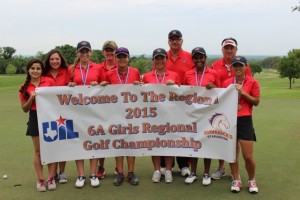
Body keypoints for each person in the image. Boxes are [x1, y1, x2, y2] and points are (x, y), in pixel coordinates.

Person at [210, 37, 252, 180]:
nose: (229, 50)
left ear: (236, 49)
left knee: (236, 141)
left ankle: (235, 172)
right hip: (222, 108)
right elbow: (213, 86)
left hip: (240, 110)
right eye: (226, 48)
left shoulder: (244, 65)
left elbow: (248, 84)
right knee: (223, 138)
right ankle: (221, 168)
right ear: (222, 50)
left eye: (231, 48)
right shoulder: (214, 65)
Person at [100, 47, 140, 186]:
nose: (122, 59)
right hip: (115, 114)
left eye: (124, 56)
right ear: (115, 59)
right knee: (118, 143)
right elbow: (104, 94)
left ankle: (130, 172)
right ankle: (120, 172)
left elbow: (141, 92)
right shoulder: (110, 74)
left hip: (131, 114)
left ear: (128, 58)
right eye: (119, 57)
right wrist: (103, 85)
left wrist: (138, 85)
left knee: (131, 144)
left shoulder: (135, 72)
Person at [183, 47, 221, 186]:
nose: (199, 60)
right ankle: (193, 173)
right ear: (193, 59)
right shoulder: (188, 73)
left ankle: (206, 173)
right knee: (193, 144)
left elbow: (221, 93)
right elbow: (183, 92)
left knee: (207, 143)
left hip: (208, 114)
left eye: (201, 57)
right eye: (196, 58)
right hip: (192, 114)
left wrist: (214, 86)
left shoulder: (214, 73)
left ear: (205, 58)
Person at [142, 48, 180, 183]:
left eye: (162, 58)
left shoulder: (174, 75)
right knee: (155, 143)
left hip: (169, 115)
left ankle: (168, 170)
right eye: (156, 58)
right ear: (153, 60)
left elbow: (180, 95)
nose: (159, 61)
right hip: (152, 116)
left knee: (168, 143)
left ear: (166, 59)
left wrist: (174, 85)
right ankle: (157, 170)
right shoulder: (146, 76)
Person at [222, 56, 260, 193]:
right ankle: (236, 179)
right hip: (230, 119)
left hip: (245, 119)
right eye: (235, 65)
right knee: (233, 154)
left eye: (240, 65)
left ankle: (251, 180)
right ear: (232, 67)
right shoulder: (227, 82)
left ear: (246, 66)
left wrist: (243, 93)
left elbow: (256, 102)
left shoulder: (252, 82)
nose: (238, 68)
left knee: (248, 156)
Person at [19, 59, 56, 192]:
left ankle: (50, 178)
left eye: (38, 68)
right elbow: (24, 109)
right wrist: (31, 98)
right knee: (38, 151)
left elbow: (56, 98)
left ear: (42, 70)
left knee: (51, 149)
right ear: (28, 70)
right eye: (32, 68)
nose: (35, 71)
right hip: (34, 117)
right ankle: (41, 180)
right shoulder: (24, 87)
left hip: (49, 117)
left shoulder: (49, 81)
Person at [68, 41, 101, 188]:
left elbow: (106, 88)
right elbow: (65, 89)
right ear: (77, 53)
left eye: (87, 51)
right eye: (81, 51)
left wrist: (99, 85)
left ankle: (93, 174)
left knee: (93, 143)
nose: (84, 54)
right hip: (77, 112)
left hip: (94, 112)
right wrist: (69, 86)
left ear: (91, 52)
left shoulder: (98, 68)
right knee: (79, 143)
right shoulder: (71, 69)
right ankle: (81, 175)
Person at [165, 29, 194, 177]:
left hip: (185, 101)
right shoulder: (162, 56)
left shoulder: (189, 57)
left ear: (182, 41)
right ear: (168, 41)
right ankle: (165, 164)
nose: (175, 42)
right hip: (166, 102)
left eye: (177, 39)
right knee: (166, 131)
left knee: (183, 132)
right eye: (172, 39)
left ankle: (183, 164)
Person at [44, 49, 70, 183]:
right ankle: (52, 173)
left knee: (62, 142)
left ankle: (62, 172)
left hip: (63, 112)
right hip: (47, 113)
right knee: (51, 142)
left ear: (61, 60)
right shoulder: (44, 73)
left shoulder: (66, 72)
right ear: (48, 61)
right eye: (52, 59)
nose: (54, 61)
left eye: (57, 59)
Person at [97, 40, 118, 179]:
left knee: (118, 137)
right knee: (101, 138)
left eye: (112, 50)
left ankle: (119, 167)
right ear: (103, 52)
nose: (110, 53)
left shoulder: (122, 65)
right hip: (102, 109)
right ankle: (101, 166)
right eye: (107, 50)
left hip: (119, 110)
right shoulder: (98, 68)